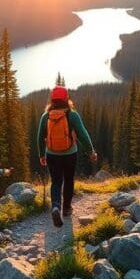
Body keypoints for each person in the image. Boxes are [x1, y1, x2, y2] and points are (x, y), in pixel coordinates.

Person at [37, 83, 97, 228]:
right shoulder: (72, 115)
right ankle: (67, 209)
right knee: (69, 180)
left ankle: (55, 206)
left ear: (52, 99)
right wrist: (91, 151)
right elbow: (83, 135)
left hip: (51, 154)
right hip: (70, 154)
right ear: (66, 98)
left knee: (56, 181)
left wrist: (41, 155)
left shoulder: (46, 116)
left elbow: (39, 137)